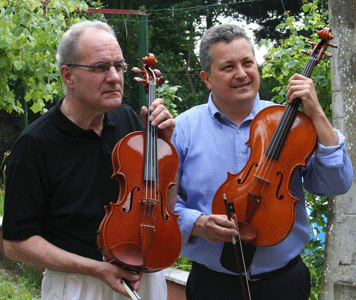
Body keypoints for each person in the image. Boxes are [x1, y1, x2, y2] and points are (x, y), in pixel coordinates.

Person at [172, 24, 353, 300]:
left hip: (285, 284)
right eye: (228, 67)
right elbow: (161, 204)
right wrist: (197, 224)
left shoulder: (291, 124)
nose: (242, 74)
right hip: (213, 286)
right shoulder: (182, 130)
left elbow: (336, 184)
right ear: (206, 78)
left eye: (247, 63)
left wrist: (315, 113)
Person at [2, 20, 175, 300]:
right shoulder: (35, 144)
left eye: (118, 66)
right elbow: (16, 243)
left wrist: (165, 149)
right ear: (68, 75)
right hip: (78, 284)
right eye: (99, 67)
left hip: (144, 277)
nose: (114, 77)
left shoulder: (129, 121)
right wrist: (96, 269)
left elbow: (162, 204)